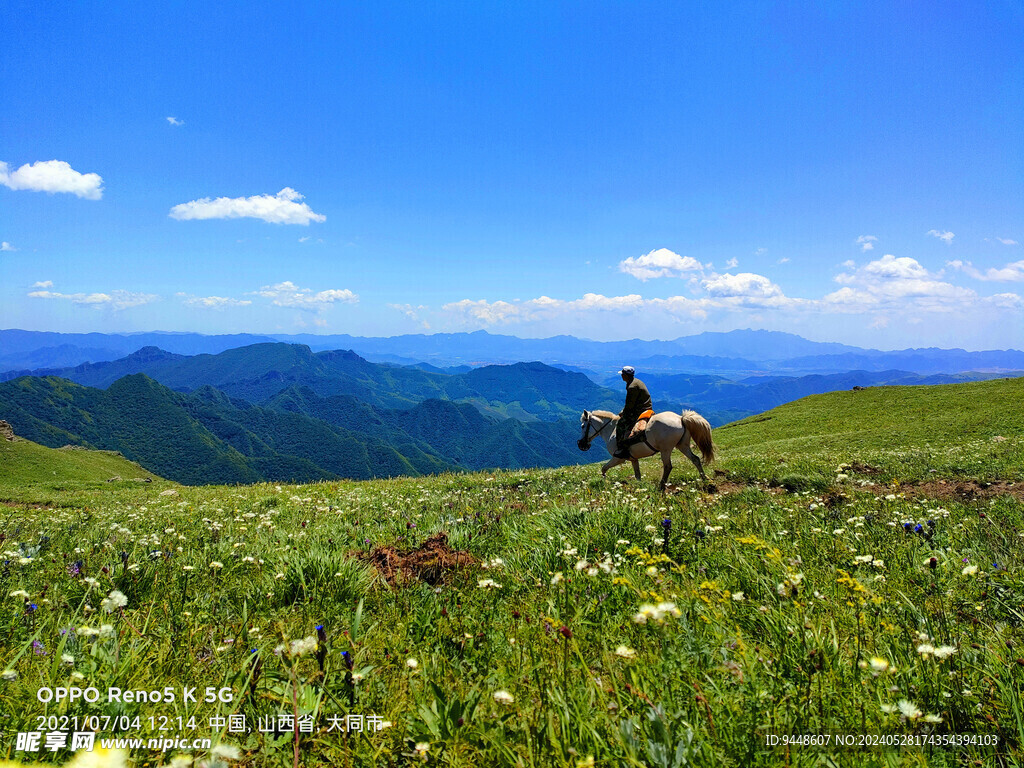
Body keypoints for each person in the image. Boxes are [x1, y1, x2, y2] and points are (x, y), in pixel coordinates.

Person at [612, 366, 653, 458]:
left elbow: (630, 405)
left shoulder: (632, 387)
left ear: (626, 375)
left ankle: (622, 449)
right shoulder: (636, 381)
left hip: (640, 410)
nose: (621, 376)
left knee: (621, 425)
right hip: (645, 407)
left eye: (622, 374)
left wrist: (624, 413)